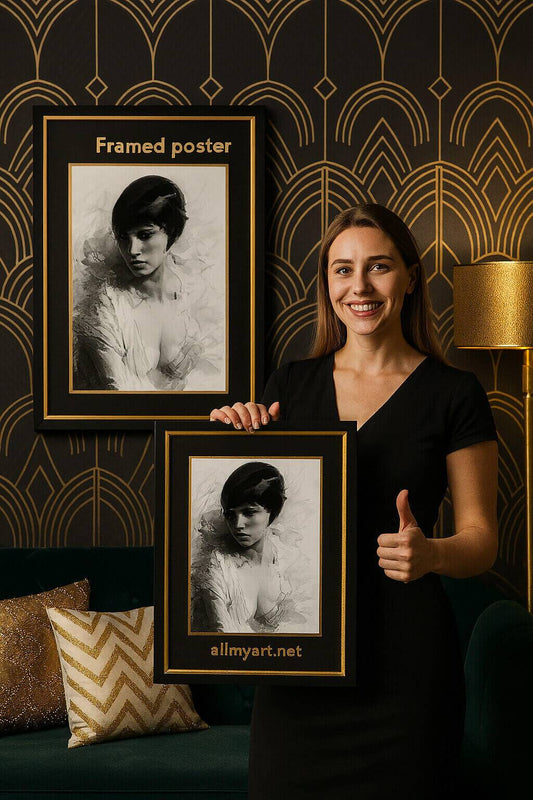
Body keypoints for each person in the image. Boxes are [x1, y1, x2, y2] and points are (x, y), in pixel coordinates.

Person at [210, 204, 498, 799]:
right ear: (327, 284)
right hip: (300, 668)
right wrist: (231, 440)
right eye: (343, 270)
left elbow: (482, 539)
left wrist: (432, 554)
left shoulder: (455, 393)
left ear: (410, 278)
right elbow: (256, 502)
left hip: (406, 672)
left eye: (379, 267)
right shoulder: (289, 386)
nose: (359, 286)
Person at [73, 174, 209, 390]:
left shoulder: (195, 296)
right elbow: (120, 394)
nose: (132, 250)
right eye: (123, 238)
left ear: (172, 233)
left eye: (145, 235)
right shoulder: (106, 310)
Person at [191, 461, 317, 634]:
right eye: (230, 515)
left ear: (272, 512)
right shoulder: (216, 568)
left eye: (249, 512)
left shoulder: (289, 561)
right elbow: (222, 635)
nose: (238, 524)